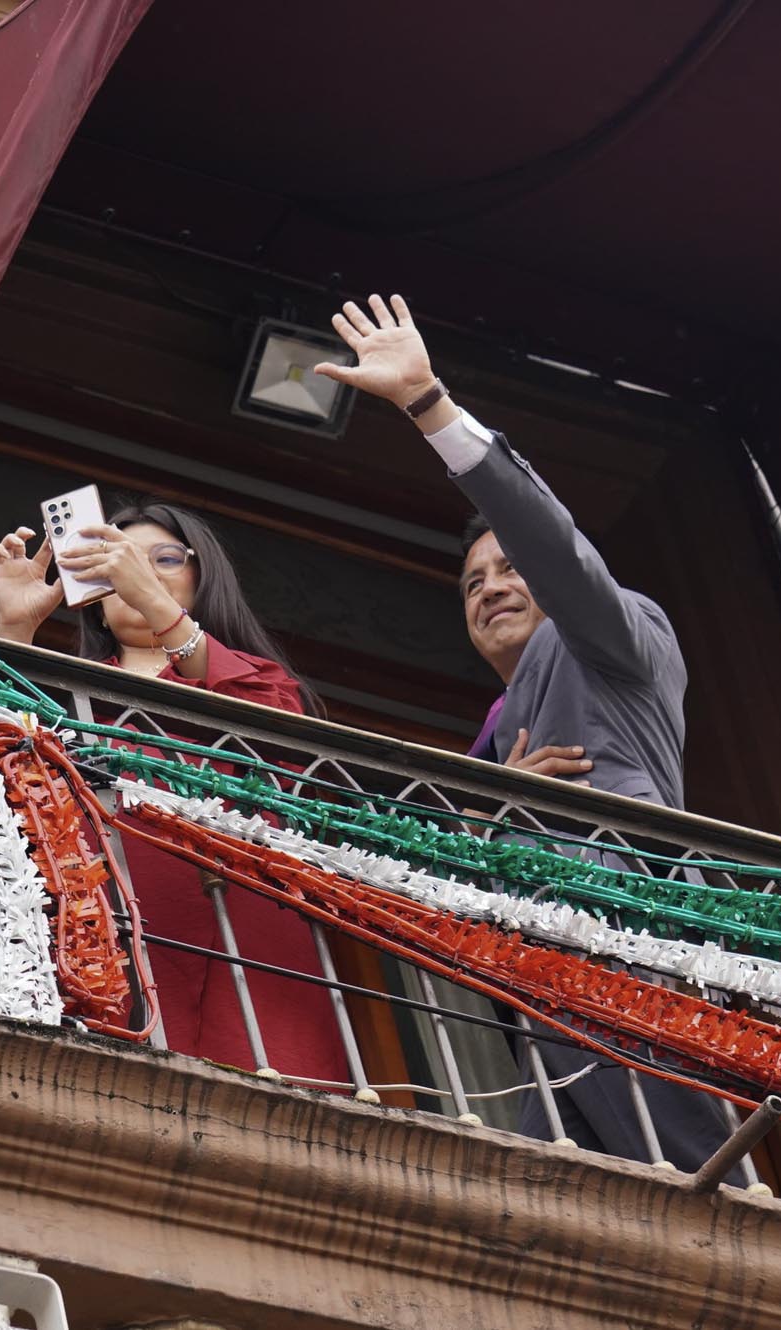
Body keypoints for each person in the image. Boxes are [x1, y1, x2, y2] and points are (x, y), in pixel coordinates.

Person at [315, 293, 733, 1171]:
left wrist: (432, 407)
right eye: (472, 584)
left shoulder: (619, 641)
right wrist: (490, 821)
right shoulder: (495, 738)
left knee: (702, 1182)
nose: (492, 588)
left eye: (509, 568)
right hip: (529, 992)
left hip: (632, 938)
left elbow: (560, 550)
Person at [0, 497, 347, 1084]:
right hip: (104, 948)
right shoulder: (63, 699)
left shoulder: (254, 679)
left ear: (204, 581)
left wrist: (155, 602)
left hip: (244, 955)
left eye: (164, 559)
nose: (139, 570)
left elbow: (278, 741)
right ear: (93, 594)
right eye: (118, 560)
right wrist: (14, 630)